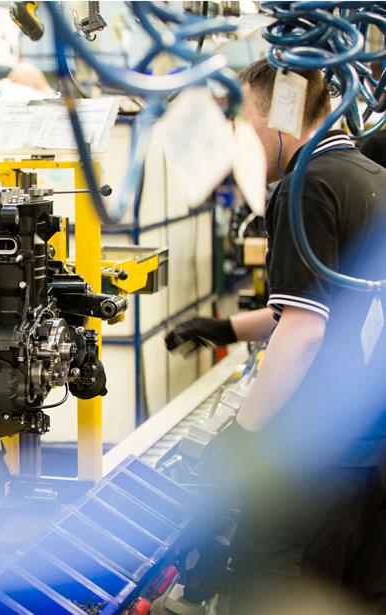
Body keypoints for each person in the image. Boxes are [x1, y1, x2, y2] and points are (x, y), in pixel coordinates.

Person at [167, 59, 386, 613]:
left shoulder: (303, 186)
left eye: (242, 121)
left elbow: (306, 332)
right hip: (366, 456)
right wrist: (225, 327)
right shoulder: (367, 176)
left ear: (279, 116)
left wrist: (244, 434)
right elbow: (321, 306)